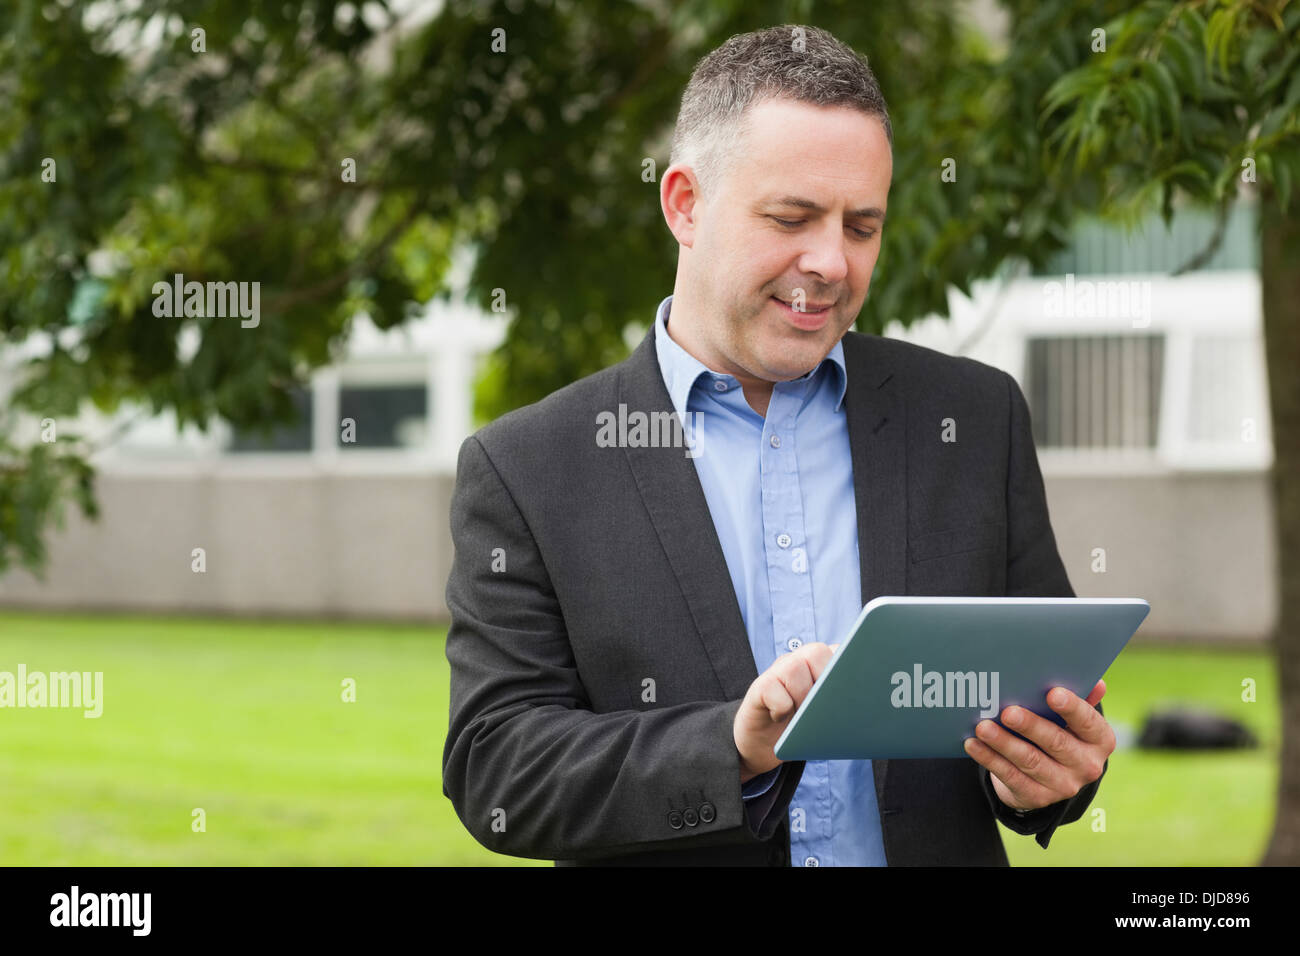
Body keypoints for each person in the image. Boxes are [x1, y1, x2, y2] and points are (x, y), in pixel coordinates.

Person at [441, 24, 1114, 866]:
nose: (831, 261)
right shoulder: (528, 469)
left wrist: (1047, 773)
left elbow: (1038, 707)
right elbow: (497, 768)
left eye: (861, 226)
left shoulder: (976, 420)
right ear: (684, 204)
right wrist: (733, 745)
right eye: (792, 217)